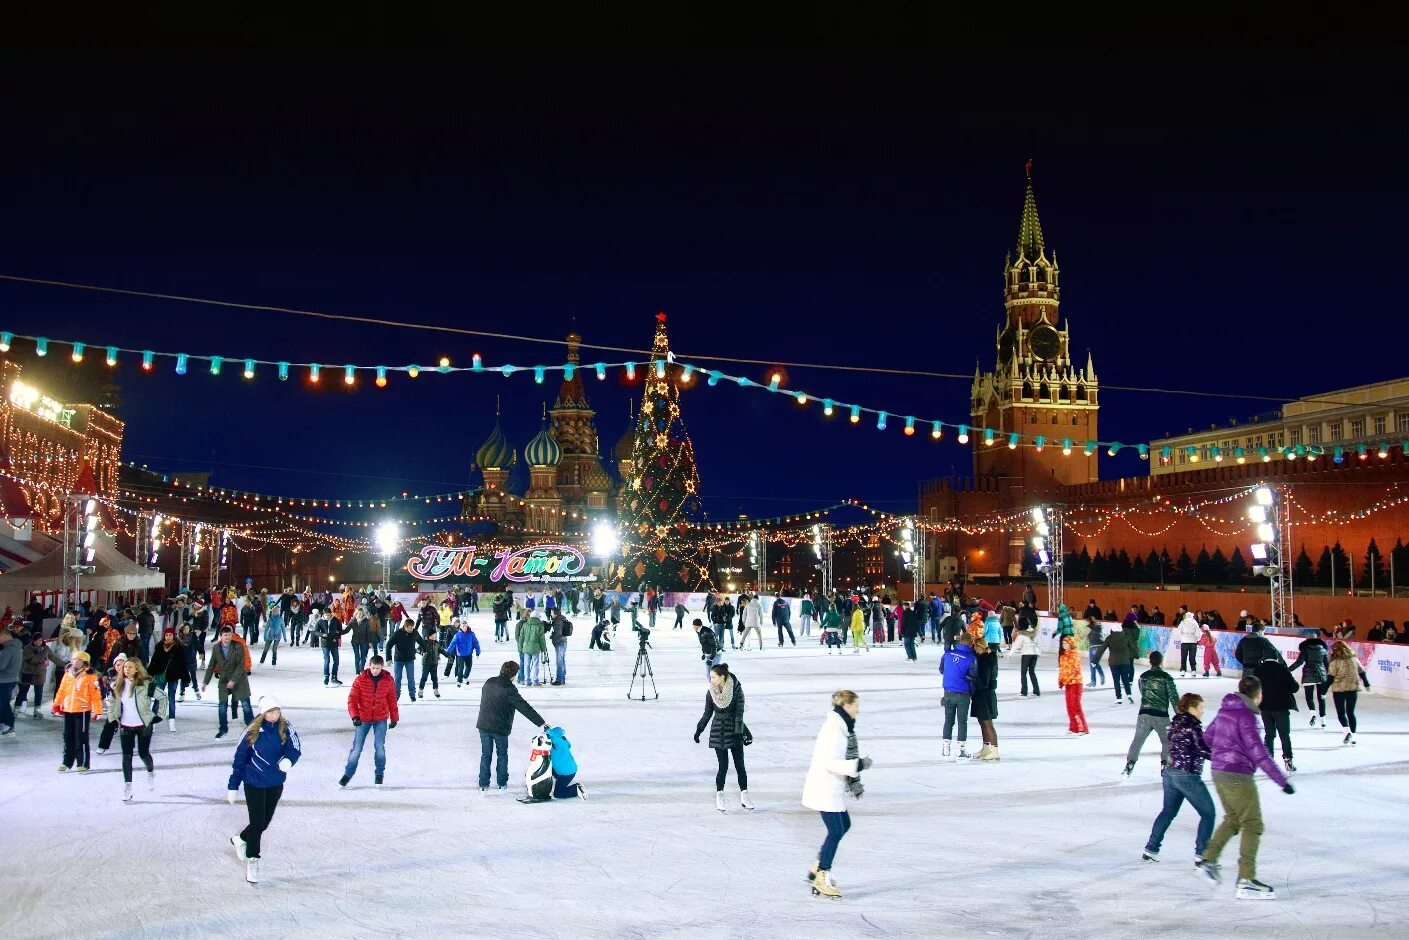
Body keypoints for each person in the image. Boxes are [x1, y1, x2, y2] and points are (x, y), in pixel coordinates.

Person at [1196, 677, 1294, 898]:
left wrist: (1223, 751)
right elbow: (1258, 752)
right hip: (1237, 774)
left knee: (1233, 819)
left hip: (1219, 772)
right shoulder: (1247, 716)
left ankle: (1208, 860)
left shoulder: (1224, 711)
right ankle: (1246, 879)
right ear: (1258, 696)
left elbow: (1206, 738)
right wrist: (1282, 781)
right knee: (1252, 824)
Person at [801, 689, 870, 900]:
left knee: (844, 824)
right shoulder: (834, 729)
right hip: (825, 787)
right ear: (846, 706)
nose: (858, 710)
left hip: (830, 787)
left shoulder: (840, 726)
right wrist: (857, 765)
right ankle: (822, 876)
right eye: (855, 706)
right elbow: (831, 763)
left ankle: (817, 866)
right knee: (836, 829)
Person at [227, 695, 301, 884]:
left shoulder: (286, 727)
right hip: (254, 783)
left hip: (275, 783)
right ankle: (253, 859)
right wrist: (233, 785)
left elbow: (295, 747)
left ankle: (241, 838)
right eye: (270, 711)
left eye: (276, 711)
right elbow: (239, 760)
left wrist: (289, 760)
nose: (274, 715)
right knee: (258, 821)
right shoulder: (252, 730)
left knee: (263, 823)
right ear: (263, 712)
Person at [1142, 693, 1216, 863]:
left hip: (1170, 773)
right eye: (1200, 708)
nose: (1202, 712)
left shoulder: (1175, 722)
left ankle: (1151, 848)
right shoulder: (1193, 725)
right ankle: (1202, 854)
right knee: (1208, 813)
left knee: (1168, 812)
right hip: (1187, 775)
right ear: (1192, 708)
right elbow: (1201, 750)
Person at [475, 661, 548, 793]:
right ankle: (502, 783)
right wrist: (541, 722)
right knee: (502, 754)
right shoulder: (509, 689)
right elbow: (524, 707)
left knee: (486, 754)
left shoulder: (489, 682)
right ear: (513, 675)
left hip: (484, 725)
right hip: (500, 728)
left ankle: (483, 784)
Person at [694, 663, 752, 812]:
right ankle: (720, 795)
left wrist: (740, 732)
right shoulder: (711, 692)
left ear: (722, 677)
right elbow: (707, 713)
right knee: (723, 766)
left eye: (713, 677)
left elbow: (739, 714)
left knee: (740, 765)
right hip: (718, 731)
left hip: (734, 730)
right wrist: (699, 729)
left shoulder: (737, 690)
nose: (711, 679)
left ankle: (744, 796)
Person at [106, 658, 162, 802]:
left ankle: (150, 772)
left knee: (143, 754)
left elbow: (162, 697)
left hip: (143, 725)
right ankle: (128, 786)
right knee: (126, 756)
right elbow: (111, 701)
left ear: (137, 669)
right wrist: (112, 717)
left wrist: (159, 716)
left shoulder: (146, 684)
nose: (126, 670)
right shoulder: (117, 685)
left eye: (130, 667)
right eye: (125, 667)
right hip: (125, 725)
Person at [340, 655, 398, 788]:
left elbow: (392, 700)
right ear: (369, 666)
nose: (375, 671)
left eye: (378, 668)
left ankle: (379, 774)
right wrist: (355, 716)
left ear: (382, 667)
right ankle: (348, 774)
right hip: (363, 718)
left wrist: (394, 718)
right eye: (373, 668)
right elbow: (352, 699)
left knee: (380, 747)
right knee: (357, 748)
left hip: (381, 718)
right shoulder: (361, 679)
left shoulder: (388, 680)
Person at [1124, 651, 1178, 776]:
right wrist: (1181, 715)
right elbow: (1174, 698)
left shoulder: (1143, 677)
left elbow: (1143, 692)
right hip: (1161, 716)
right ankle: (1165, 765)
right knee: (1167, 742)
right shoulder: (1166, 677)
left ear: (1150, 662)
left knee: (1137, 740)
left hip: (1144, 714)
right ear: (1161, 661)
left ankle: (1130, 764)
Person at [55, 651, 104, 771]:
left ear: (85, 662)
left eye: (79, 659)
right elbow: (61, 690)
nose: (75, 661)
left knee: (81, 737)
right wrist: (57, 704)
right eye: (74, 659)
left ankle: (82, 763)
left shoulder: (90, 676)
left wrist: (98, 710)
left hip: (82, 710)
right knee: (68, 736)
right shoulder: (68, 674)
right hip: (68, 709)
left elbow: (96, 694)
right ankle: (67, 762)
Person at [204, 626, 253, 739]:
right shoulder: (216, 648)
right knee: (222, 705)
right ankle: (223, 729)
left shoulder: (238, 646)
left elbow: (241, 666)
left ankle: (251, 728)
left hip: (240, 680)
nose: (227, 637)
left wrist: (233, 680)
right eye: (225, 635)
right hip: (224, 680)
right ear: (220, 636)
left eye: (229, 635)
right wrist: (205, 682)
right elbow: (212, 665)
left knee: (245, 704)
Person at [1254, 656, 1300, 773]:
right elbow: (1294, 688)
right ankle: (1288, 763)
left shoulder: (1258, 670)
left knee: (1269, 735)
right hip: (1281, 707)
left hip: (1265, 707)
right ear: (1276, 659)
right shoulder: (1282, 669)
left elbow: (1253, 688)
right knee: (1284, 735)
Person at [940, 633, 977, 760]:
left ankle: (945, 747)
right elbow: (974, 675)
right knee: (962, 722)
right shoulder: (971, 658)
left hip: (948, 692)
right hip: (963, 694)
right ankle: (961, 749)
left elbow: (941, 669)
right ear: (971, 644)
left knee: (948, 720)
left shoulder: (947, 654)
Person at [147, 628, 190, 732]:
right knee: (158, 698)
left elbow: (183, 664)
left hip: (173, 676)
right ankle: (153, 722)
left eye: (170, 635)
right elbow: (154, 661)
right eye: (167, 635)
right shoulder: (159, 647)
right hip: (160, 676)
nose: (168, 637)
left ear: (174, 636)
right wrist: (149, 674)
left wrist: (186, 678)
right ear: (164, 636)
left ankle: (172, 721)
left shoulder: (179, 647)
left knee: (171, 698)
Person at [1328, 640, 1370, 745]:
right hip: (1352, 689)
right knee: (1351, 713)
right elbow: (1362, 672)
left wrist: (1323, 691)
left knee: (1341, 713)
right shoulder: (1354, 659)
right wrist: (1366, 683)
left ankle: (1347, 731)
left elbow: (1330, 678)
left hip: (1339, 690)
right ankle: (1353, 736)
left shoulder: (1335, 662)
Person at [1290, 632, 1330, 729]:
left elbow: (1299, 662)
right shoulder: (1323, 649)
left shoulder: (1305, 649)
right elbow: (1327, 664)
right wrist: (1329, 676)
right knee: (1321, 698)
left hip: (1309, 675)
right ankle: (1323, 720)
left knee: (1309, 697)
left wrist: (1288, 670)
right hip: (1321, 676)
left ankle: (1313, 713)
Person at [970, 635, 1000, 760]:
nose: (973, 649)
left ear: (979, 647)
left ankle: (995, 750)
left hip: (985, 694)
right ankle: (986, 747)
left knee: (988, 723)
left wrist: (971, 679)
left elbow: (984, 680)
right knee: (982, 722)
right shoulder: (982, 657)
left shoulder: (986, 660)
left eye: (975, 647)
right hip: (980, 694)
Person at [387, 619, 427, 702]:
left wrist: (425, 651)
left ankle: (412, 695)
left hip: (409, 659)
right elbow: (389, 645)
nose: (411, 630)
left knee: (411, 678)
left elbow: (421, 642)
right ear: (405, 627)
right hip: (399, 659)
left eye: (412, 628)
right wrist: (389, 658)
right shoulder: (397, 633)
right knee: (398, 678)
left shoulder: (414, 633)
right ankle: (396, 695)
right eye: (409, 628)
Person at [545, 726, 587, 799]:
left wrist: (548, 730)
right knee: (547, 768)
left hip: (566, 773)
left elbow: (554, 735)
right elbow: (568, 744)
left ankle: (576, 789)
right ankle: (550, 786)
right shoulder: (561, 741)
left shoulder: (559, 742)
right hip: (566, 769)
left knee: (558, 794)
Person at [1057, 636, 1088, 734]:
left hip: (1076, 683)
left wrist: (1067, 679)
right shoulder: (1063, 656)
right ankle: (1073, 727)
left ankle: (1082, 728)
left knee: (1075, 706)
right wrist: (1061, 680)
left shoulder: (1074, 655)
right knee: (1069, 706)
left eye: (1066, 643)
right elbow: (1062, 670)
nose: (1064, 645)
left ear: (1071, 644)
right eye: (1063, 643)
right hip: (1068, 684)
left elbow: (1074, 670)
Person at [1104, 618, 1135, 705]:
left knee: (1116, 680)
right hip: (1125, 661)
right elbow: (1133, 648)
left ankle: (1119, 698)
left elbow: (1101, 650)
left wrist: (1094, 661)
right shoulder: (1126, 637)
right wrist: (1136, 655)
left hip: (1114, 662)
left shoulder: (1109, 638)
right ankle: (1129, 694)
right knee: (1125, 679)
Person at [515, 605, 547, 687]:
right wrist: (543, 649)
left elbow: (521, 637)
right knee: (535, 664)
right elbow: (542, 639)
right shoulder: (539, 626)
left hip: (525, 648)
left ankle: (526, 681)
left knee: (526, 664)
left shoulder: (525, 625)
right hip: (535, 648)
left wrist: (520, 648)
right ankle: (535, 681)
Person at [317, 609, 349, 686]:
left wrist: (337, 634)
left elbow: (340, 629)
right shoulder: (320, 621)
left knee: (336, 661)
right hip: (325, 644)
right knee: (327, 660)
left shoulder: (335, 620)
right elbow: (316, 631)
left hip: (334, 643)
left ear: (330, 614)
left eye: (328, 615)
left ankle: (334, 677)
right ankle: (326, 676)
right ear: (323, 615)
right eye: (326, 615)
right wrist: (322, 635)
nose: (327, 616)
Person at [445, 621, 482, 686]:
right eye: (463, 626)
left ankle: (465, 677)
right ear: (461, 627)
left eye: (466, 626)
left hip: (469, 654)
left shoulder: (471, 634)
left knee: (469, 667)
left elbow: (476, 642)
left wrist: (478, 651)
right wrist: (448, 651)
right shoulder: (457, 635)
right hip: (460, 654)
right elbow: (452, 644)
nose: (465, 628)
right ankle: (459, 680)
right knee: (460, 668)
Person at [418, 626, 446, 699]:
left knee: (434, 678)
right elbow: (417, 650)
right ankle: (421, 690)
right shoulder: (424, 643)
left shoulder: (437, 643)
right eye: (433, 635)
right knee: (424, 677)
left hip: (434, 663)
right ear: (429, 636)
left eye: (435, 635)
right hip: (426, 663)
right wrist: (422, 653)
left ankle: (436, 689)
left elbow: (442, 651)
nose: (435, 636)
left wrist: (448, 656)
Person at [1012, 626, 1040, 697]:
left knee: (1023, 673)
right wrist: (1039, 652)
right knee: (1032, 672)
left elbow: (1016, 645)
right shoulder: (1035, 634)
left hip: (1026, 654)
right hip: (1035, 654)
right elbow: (1038, 643)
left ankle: (1024, 692)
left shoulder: (1022, 634)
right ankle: (1036, 691)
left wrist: (1010, 653)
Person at [548, 607, 572, 686]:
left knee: (559, 661)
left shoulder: (557, 621)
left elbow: (558, 633)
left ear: (555, 613)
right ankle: (562, 678)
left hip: (560, 642)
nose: (551, 614)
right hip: (563, 641)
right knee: (562, 660)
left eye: (552, 612)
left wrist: (553, 638)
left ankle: (559, 680)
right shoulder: (562, 619)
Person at [348, 606, 376, 674]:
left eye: (360, 613)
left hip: (364, 641)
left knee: (363, 657)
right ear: (355, 613)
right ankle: (357, 672)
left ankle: (361, 670)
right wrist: (337, 632)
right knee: (357, 657)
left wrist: (370, 642)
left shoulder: (366, 621)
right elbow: (346, 630)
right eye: (357, 613)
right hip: (355, 641)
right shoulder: (353, 621)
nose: (359, 615)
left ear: (363, 614)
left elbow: (369, 632)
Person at [1176, 607, 1200, 677]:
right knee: (1192, 657)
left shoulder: (1183, 622)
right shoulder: (1195, 623)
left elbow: (1179, 631)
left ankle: (1183, 670)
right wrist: (1196, 638)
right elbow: (1198, 633)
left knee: (1184, 657)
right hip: (1193, 642)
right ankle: (1193, 671)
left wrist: (1183, 637)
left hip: (1185, 642)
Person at [1086, 617, 1106, 686]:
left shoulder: (1089, 627)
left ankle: (1093, 681)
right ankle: (1101, 675)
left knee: (1092, 663)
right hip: (1101, 647)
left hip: (1094, 646)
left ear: (1089, 622)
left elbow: (1082, 635)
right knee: (1095, 662)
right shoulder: (1099, 626)